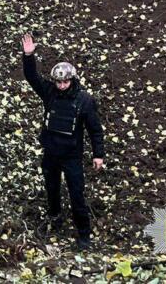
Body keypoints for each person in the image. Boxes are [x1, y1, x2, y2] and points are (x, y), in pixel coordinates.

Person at [20, 32, 105, 251]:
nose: (62, 85)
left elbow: (95, 129)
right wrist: (28, 56)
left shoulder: (84, 100)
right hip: (51, 151)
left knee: (76, 192)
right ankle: (55, 217)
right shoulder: (49, 92)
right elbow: (32, 78)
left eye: (65, 81)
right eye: (58, 81)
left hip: (72, 155)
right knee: (52, 187)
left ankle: (84, 234)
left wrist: (98, 154)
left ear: (72, 80)